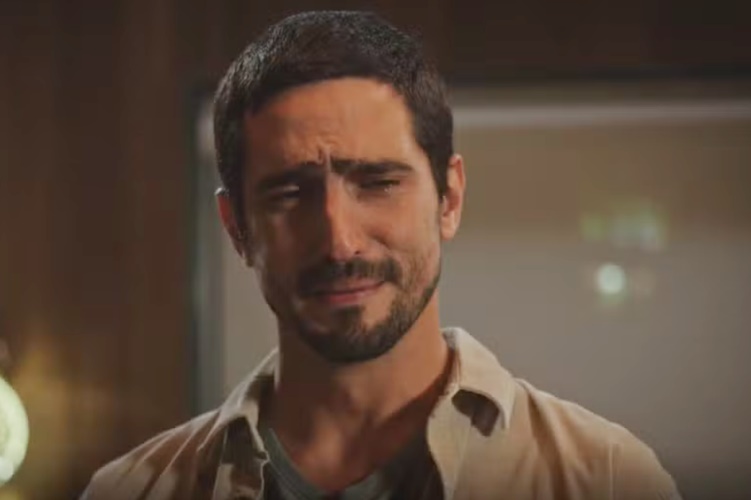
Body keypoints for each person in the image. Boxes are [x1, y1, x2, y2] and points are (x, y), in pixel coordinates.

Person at [83, 10, 680, 500]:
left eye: (378, 183)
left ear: (449, 199)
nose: (339, 242)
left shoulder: (606, 479)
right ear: (236, 227)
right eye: (289, 194)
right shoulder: (130, 491)